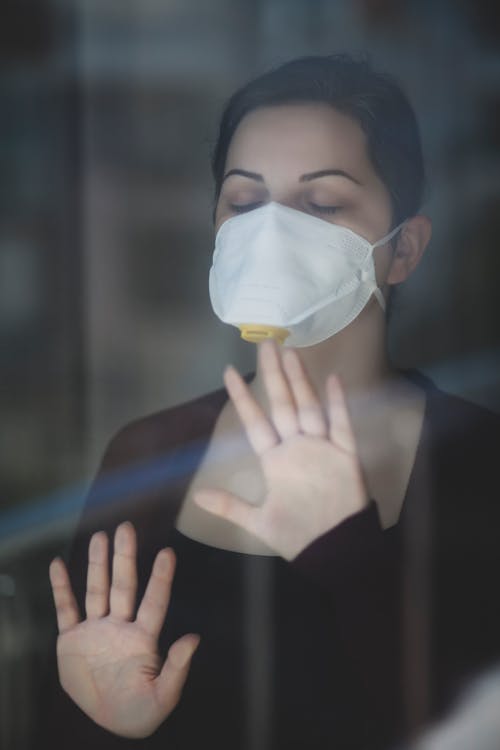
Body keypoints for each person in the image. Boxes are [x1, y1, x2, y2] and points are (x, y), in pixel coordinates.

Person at [44, 55, 500, 750]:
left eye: (322, 204)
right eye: (245, 202)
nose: (272, 233)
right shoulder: (149, 454)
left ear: (404, 248)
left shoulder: (476, 457)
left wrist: (346, 551)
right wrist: (106, 728)